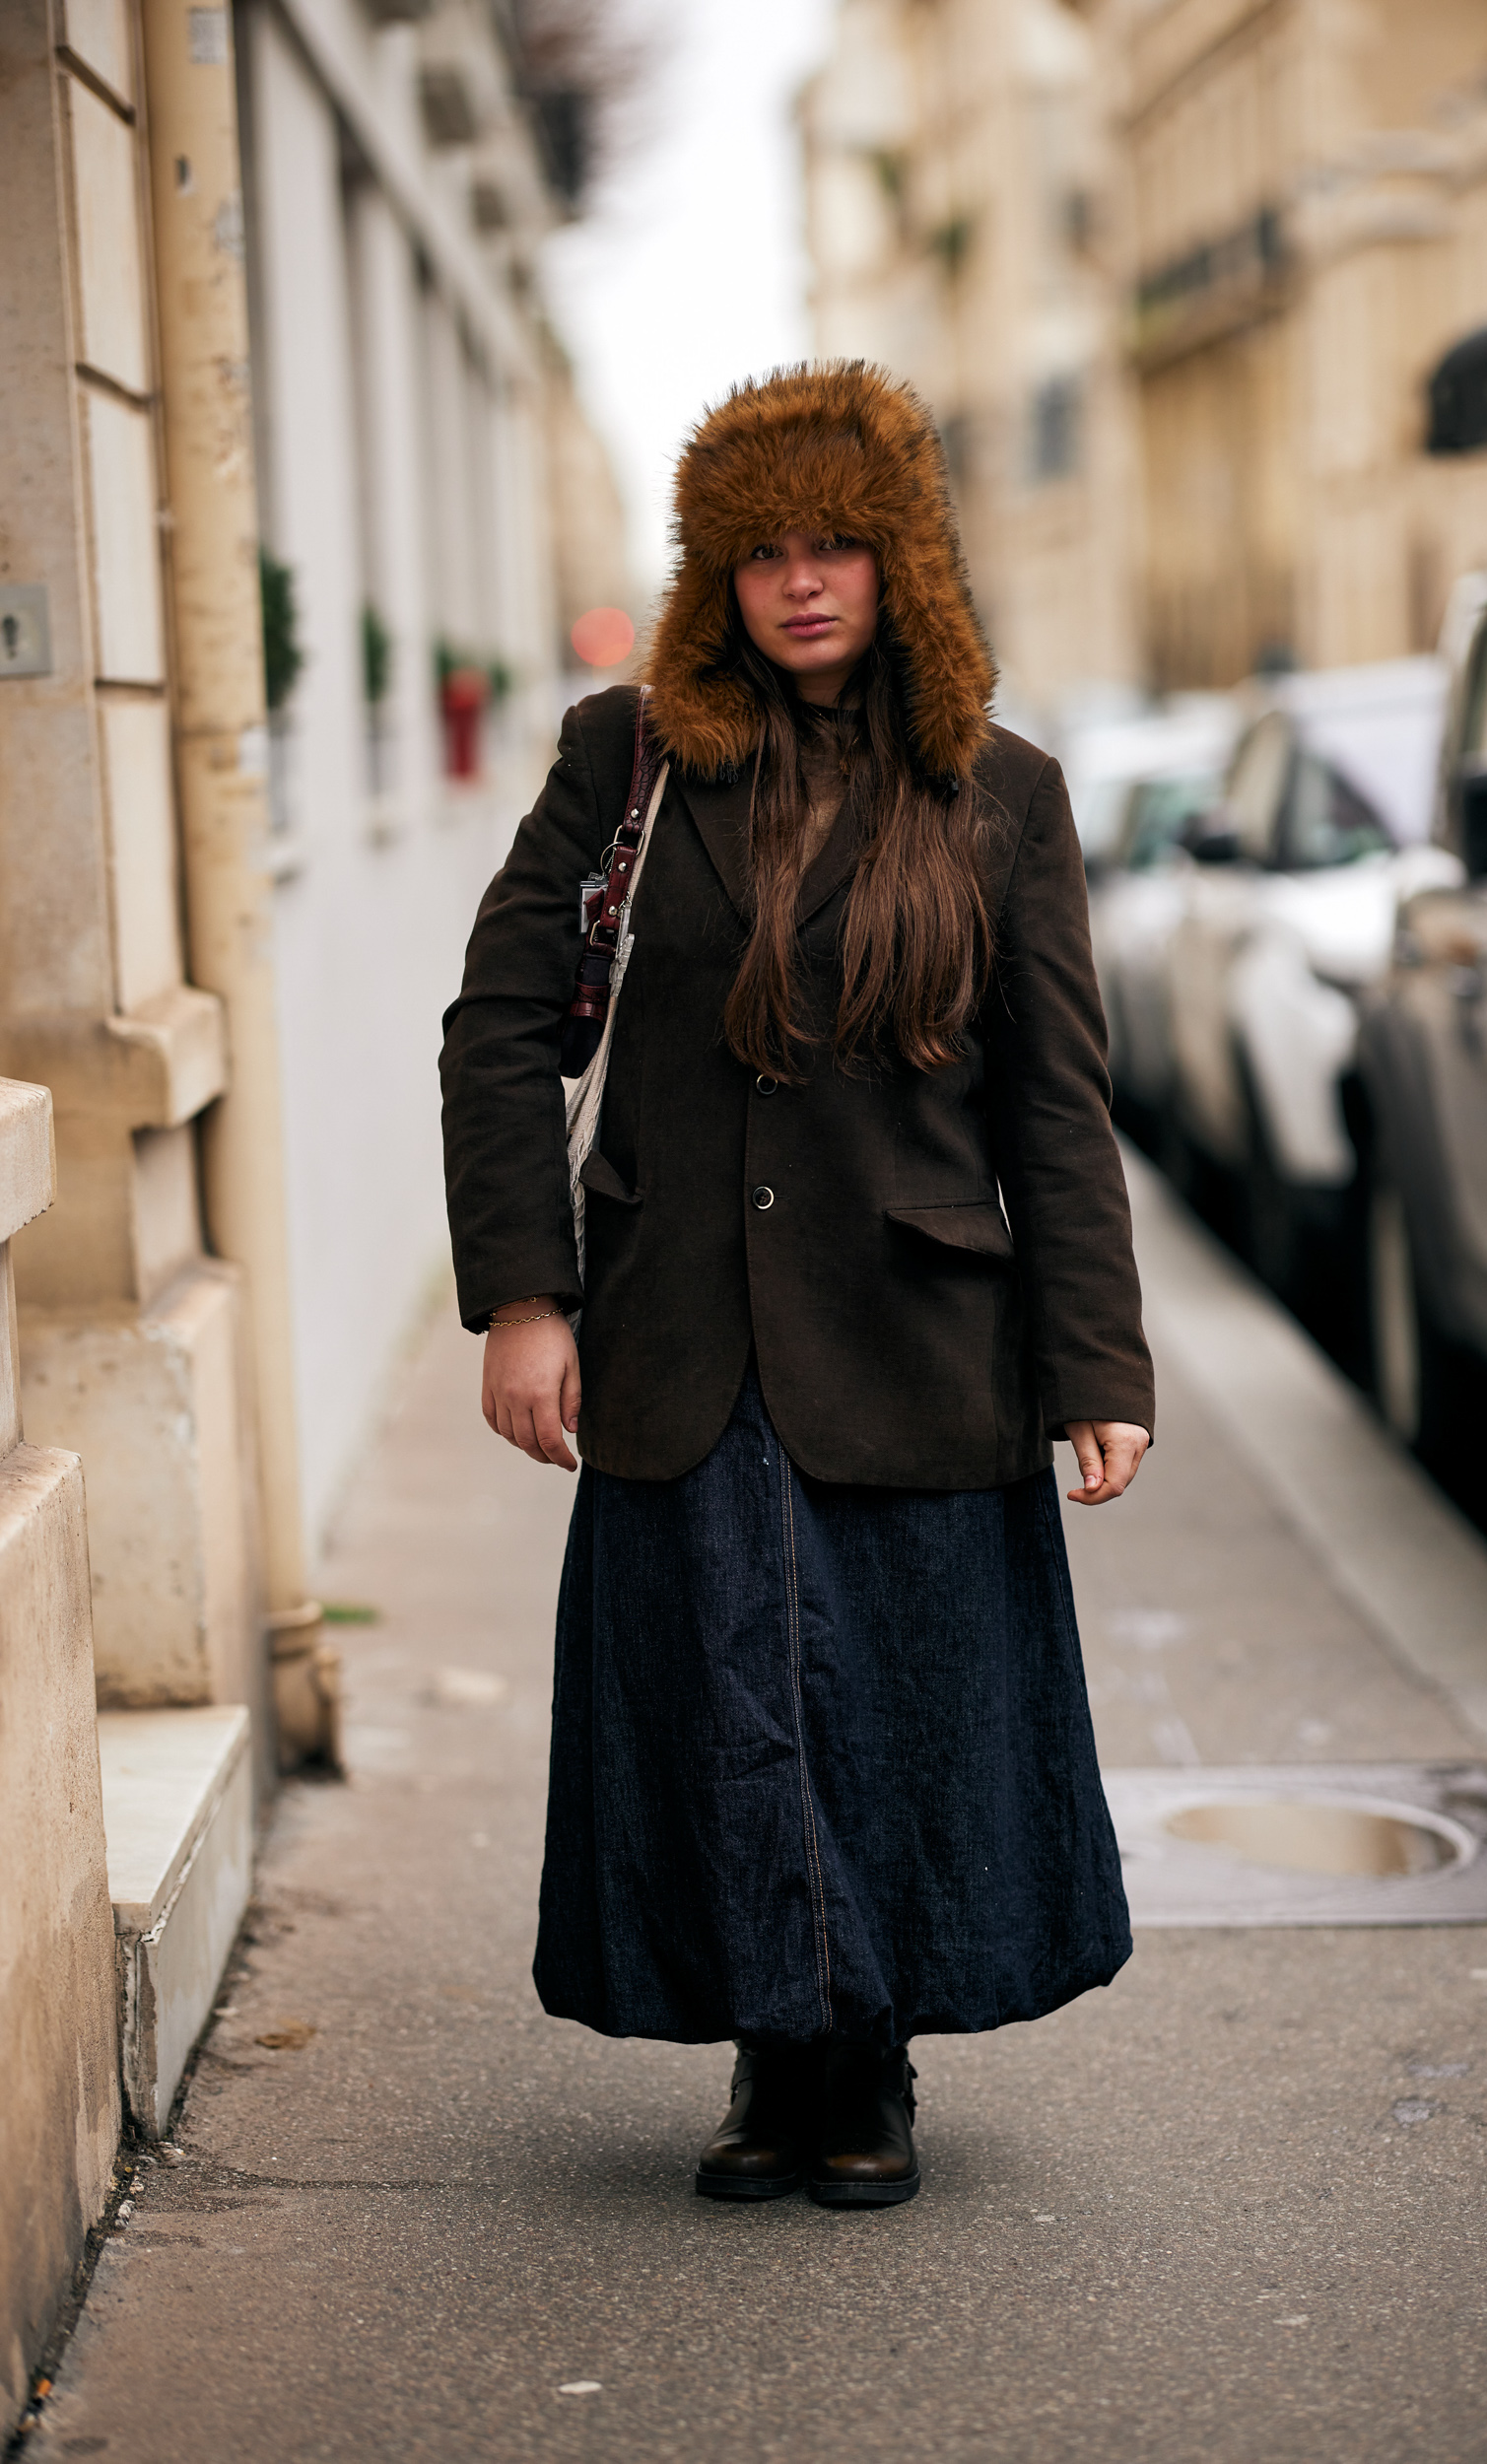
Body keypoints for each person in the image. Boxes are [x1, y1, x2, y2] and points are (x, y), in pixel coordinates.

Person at [439, 363, 1154, 2210]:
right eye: (763, 554)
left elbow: (1057, 1104)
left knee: (886, 1702)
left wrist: (1099, 1362)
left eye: (839, 545)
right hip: (680, 1332)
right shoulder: (629, 758)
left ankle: (871, 2064)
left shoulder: (1002, 792)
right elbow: (501, 1025)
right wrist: (528, 1297)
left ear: (900, 561)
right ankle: (774, 2057)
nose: (804, 582)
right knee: (723, 1694)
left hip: (917, 1342)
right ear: (717, 577)